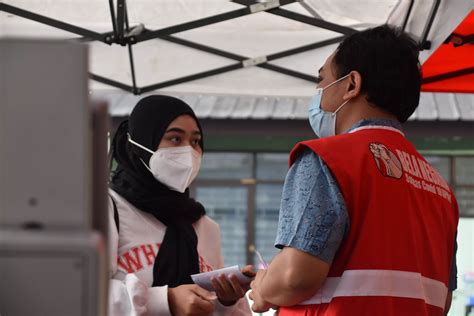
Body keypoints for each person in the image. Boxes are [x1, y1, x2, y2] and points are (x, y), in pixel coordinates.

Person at [249, 25, 459, 316]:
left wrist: (263, 287)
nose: (318, 92)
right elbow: (443, 298)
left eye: (322, 80)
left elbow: (295, 276)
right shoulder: (440, 188)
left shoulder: (329, 158)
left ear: (351, 85)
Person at [107, 95, 253, 315]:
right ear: (141, 143)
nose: (189, 152)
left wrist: (226, 302)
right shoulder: (107, 208)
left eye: (195, 142)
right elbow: (79, 292)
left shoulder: (204, 226)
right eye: (175, 139)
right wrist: (166, 300)